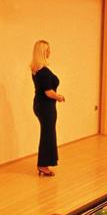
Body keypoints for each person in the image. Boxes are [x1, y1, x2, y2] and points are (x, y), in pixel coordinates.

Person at [30, 40, 65, 176]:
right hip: (46, 106)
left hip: (40, 105)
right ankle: (43, 165)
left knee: (47, 133)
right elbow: (48, 92)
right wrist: (59, 97)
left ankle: (43, 164)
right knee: (47, 134)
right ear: (43, 52)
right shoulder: (43, 72)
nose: (50, 52)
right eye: (48, 50)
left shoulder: (36, 70)